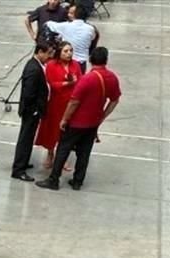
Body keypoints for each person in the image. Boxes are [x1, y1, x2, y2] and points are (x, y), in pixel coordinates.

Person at [36, 46, 120, 191]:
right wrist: (102, 116)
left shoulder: (87, 79)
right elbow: (114, 100)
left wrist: (64, 119)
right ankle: (77, 181)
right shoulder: (112, 78)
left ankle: (54, 179)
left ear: (91, 59)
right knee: (84, 153)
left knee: (63, 149)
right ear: (106, 60)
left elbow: (74, 102)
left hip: (76, 122)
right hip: (93, 123)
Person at [35, 42, 82, 170]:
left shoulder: (76, 65)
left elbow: (80, 82)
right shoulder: (51, 66)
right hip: (56, 103)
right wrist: (68, 83)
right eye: (66, 51)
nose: (69, 54)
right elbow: (52, 84)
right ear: (59, 53)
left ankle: (62, 158)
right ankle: (50, 154)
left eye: (70, 51)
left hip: (70, 104)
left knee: (66, 133)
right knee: (52, 130)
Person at [10, 41, 52, 182]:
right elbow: (29, 93)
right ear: (40, 52)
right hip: (31, 110)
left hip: (32, 109)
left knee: (28, 138)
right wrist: (34, 110)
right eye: (47, 53)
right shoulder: (34, 69)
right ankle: (18, 169)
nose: (49, 56)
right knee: (25, 138)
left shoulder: (37, 65)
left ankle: (23, 161)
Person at [44, 5, 96, 71]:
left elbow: (49, 24)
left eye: (71, 13)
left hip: (68, 61)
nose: (68, 15)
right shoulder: (91, 29)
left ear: (75, 15)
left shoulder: (65, 26)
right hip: (82, 63)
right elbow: (92, 38)